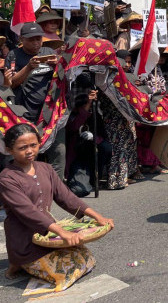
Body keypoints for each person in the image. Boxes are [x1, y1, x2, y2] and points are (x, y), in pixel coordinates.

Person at [0, 123, 114, 292]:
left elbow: (66, 197)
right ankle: (18, 261)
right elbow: (28, 212)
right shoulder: (7, 178)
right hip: (24, 239)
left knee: (86, 259)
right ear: (9, 150)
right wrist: (62, 233)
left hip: (48, 235)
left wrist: (98, 217)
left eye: (34, 145)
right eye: (22, 148)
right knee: (66, 273)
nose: (30, 151)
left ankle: (20, 264)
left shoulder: (46, 168)